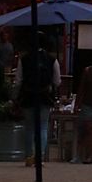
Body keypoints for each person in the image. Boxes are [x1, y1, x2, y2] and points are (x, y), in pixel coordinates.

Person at [13, 35, 61, 166]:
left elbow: (18, 81)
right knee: (43, 127)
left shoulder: (24, 59)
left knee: (29, 128)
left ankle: (29, 156)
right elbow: (57, 80)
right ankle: (40, 157)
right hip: (45, 96)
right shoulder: (52, 60)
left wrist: (15, 97)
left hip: (28, 96)